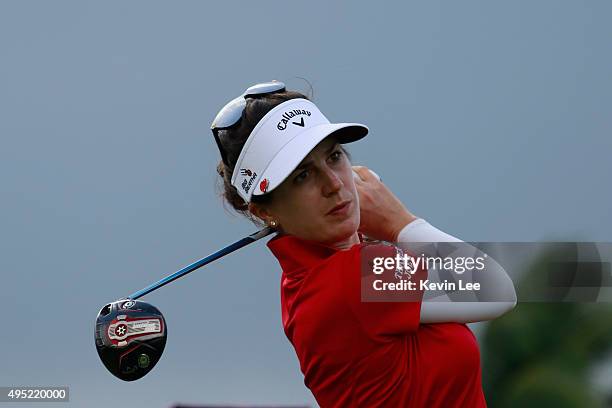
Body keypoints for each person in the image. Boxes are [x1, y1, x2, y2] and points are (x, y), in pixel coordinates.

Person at [211, 80, 517, 407]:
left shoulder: (308, 282)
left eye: (334, 157)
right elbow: (495, 289)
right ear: (265, 210)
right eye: (302, 176)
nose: (333, 183)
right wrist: (399, 221)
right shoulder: (353, 278)